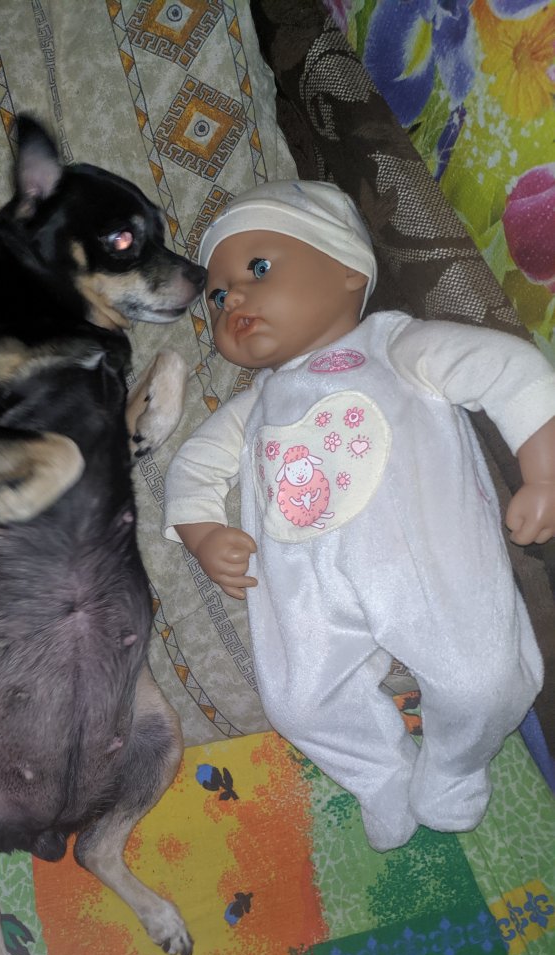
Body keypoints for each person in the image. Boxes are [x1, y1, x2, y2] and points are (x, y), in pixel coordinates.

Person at [163, 180, 555, 851]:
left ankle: (455, 767)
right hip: (305, 585)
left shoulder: (396, 347)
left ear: (348, 269)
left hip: (428, 561)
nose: (234, 301)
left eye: (258, 268)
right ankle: (380, 775)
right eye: (218, 297)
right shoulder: (255, 405)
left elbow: (507, 367)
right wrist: (202, 533)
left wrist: (541, 471)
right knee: (297, 703)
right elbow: (194, 465)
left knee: (484, 682)